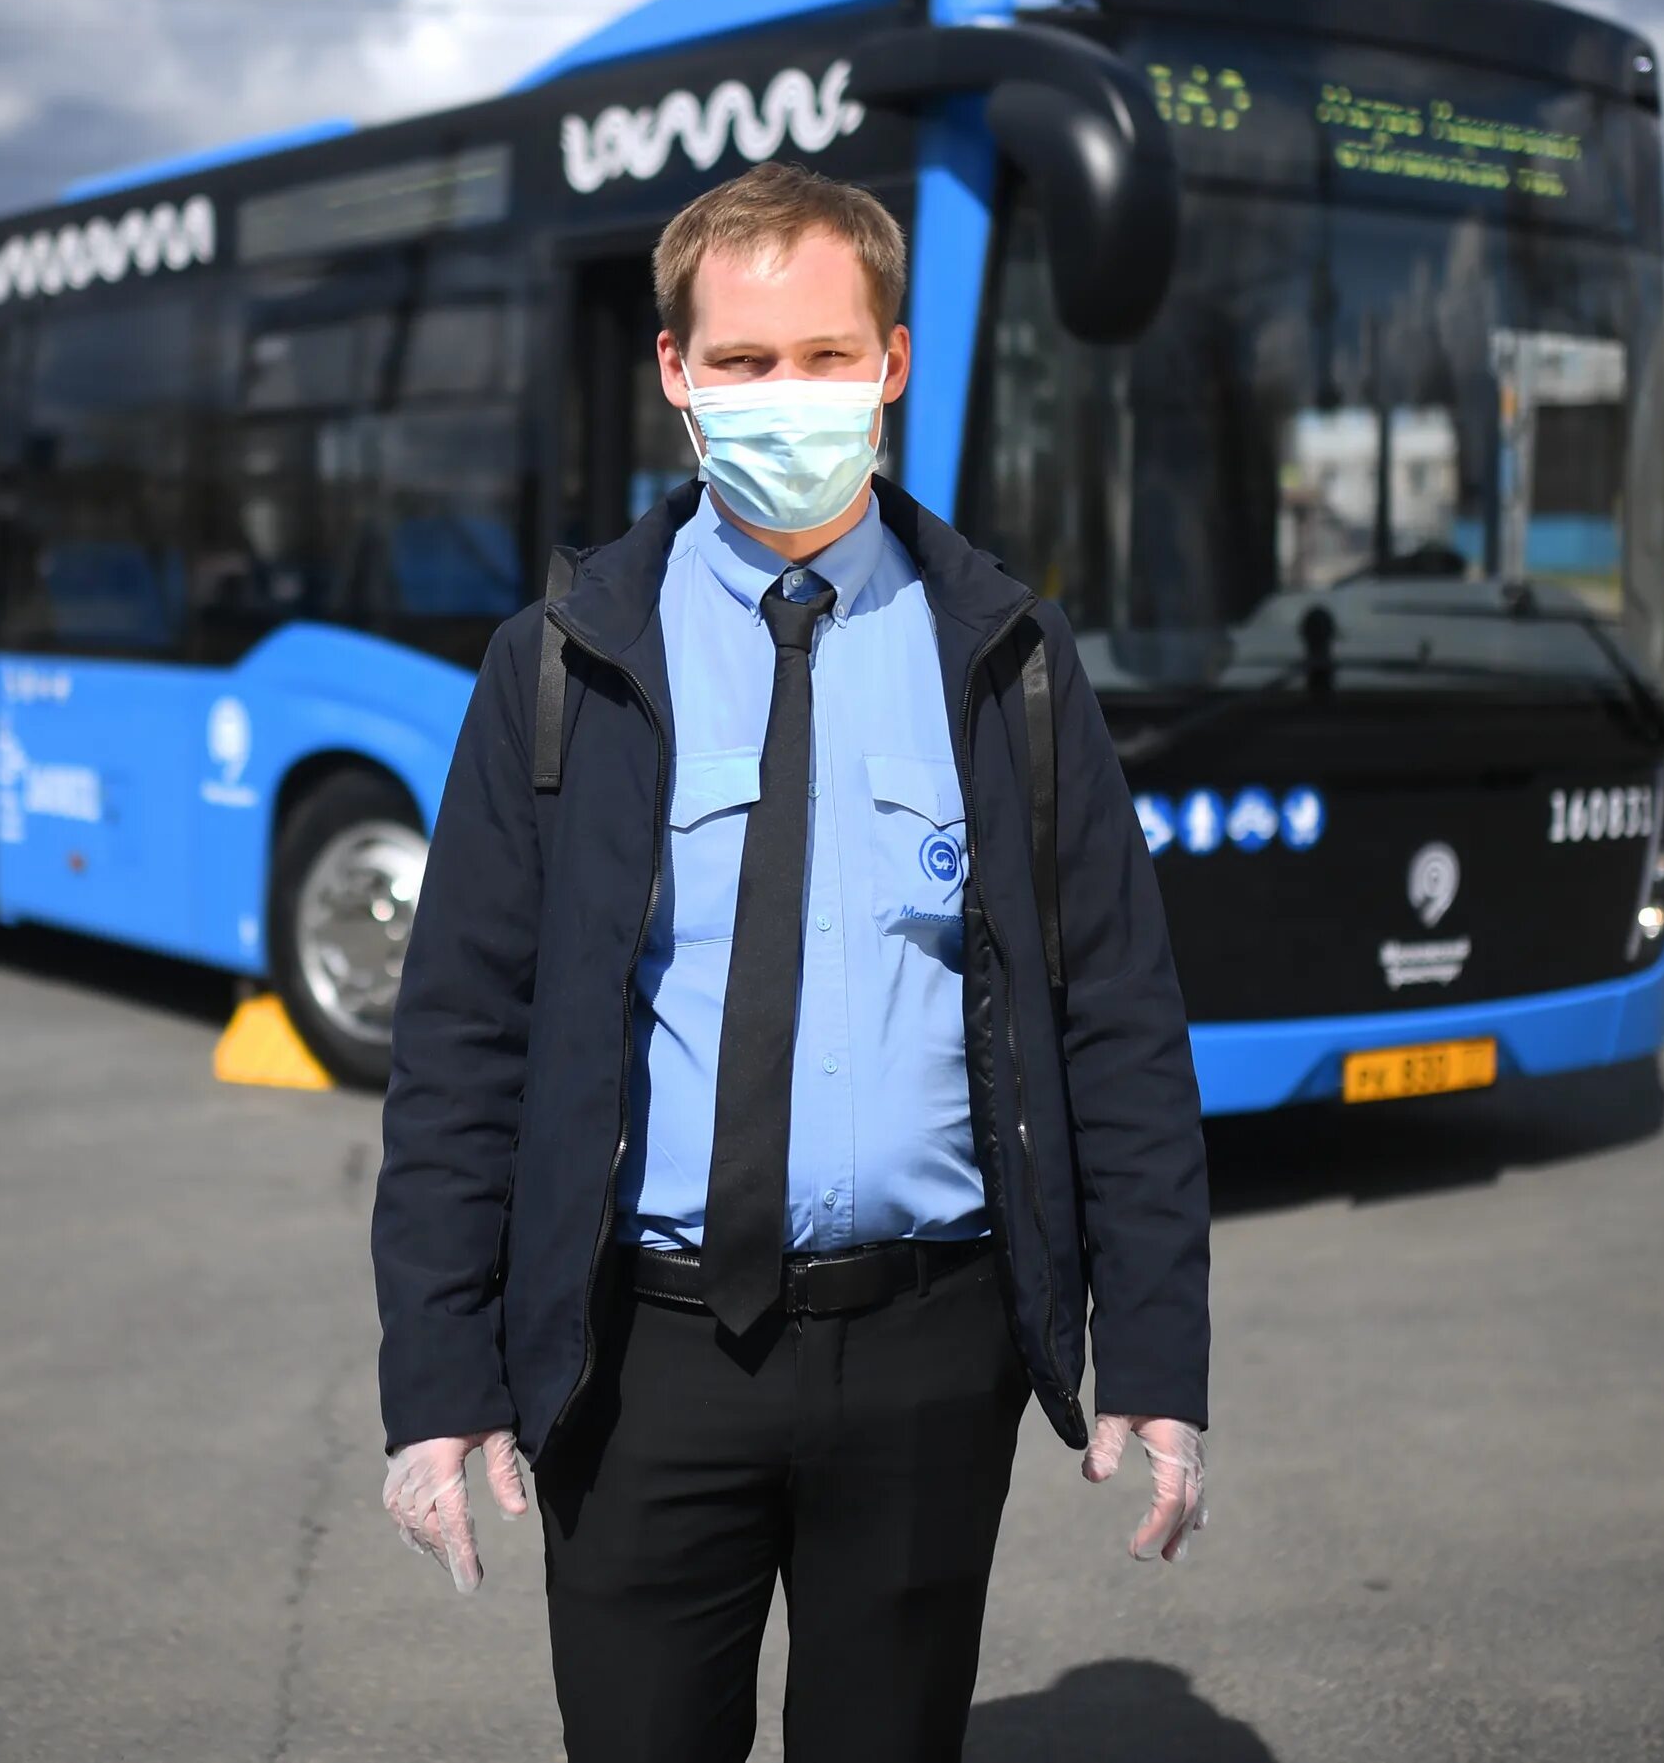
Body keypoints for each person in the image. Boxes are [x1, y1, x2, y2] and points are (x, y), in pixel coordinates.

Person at [371, 160, 1211, 1762]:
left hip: (928, 1350)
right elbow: (463, 1040)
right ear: (677, 376)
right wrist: (437, 1373)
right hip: (639, 1359)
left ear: (893, 363)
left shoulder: (1011, 662)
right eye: (745, 362)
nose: (789, 398)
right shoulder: (557, 665)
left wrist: (1156, 1350)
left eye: (828, 358)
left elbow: (1117, 1024)